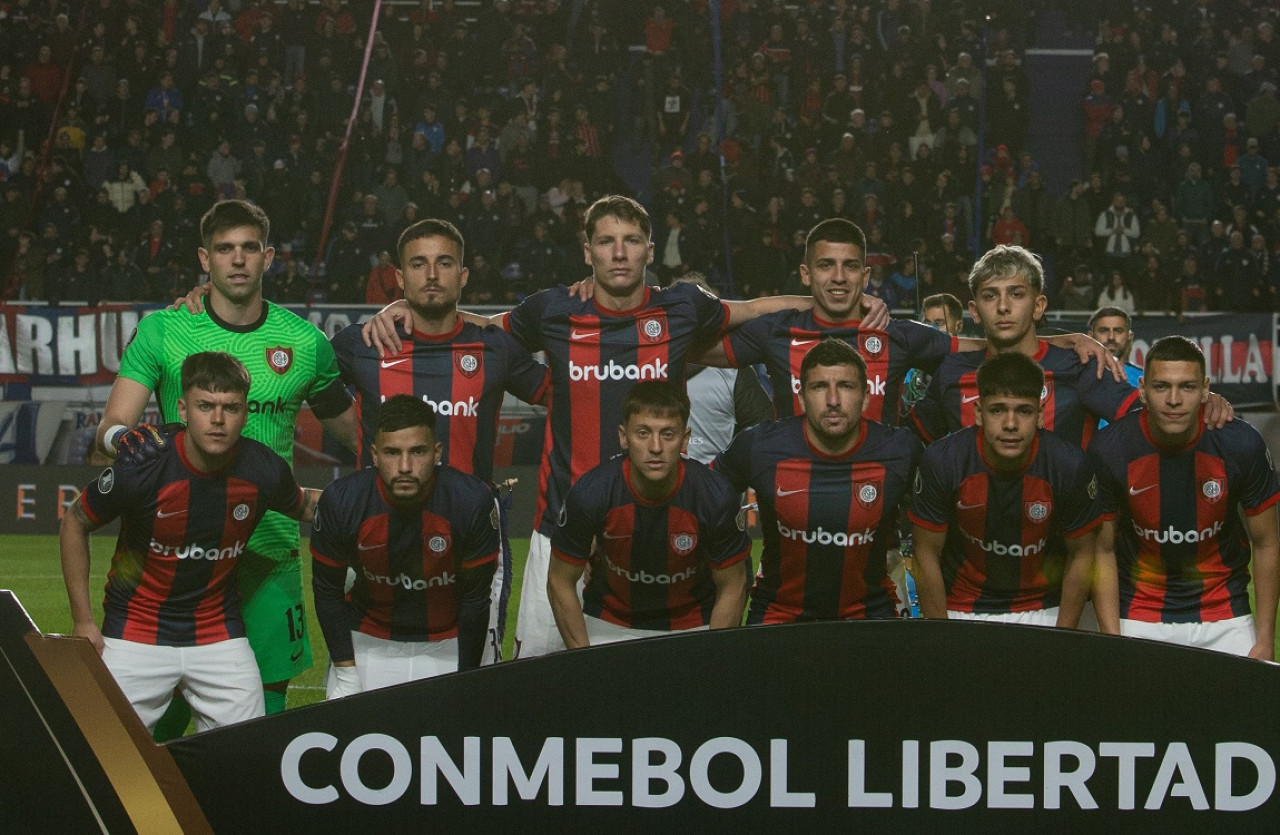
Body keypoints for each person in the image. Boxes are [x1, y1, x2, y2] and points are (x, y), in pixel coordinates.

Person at [363, 195, 891, 658]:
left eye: (631, 240)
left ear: (649, 250)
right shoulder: (551, 310)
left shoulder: (681, 307)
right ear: (586, 251)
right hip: (562, 524)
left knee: (656, 682)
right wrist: (400, 306)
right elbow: (473, 325)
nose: (619, 252)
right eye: (607, 241)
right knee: (539, 687)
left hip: (659, 528)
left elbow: (751, 309)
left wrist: (839, 303)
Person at [95, 199, 357, 722]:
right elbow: (109, 428)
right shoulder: (166, 330)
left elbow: (358, 435)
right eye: (224, 249)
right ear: (204, 259)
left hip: (268, 550)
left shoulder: (305, 343)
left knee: (264, 709)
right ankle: (160, 806)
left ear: (269, 258)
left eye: (248, 248)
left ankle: (242, 805)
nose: (237, 259)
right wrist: (128, 441)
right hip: (175, 550)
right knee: (161, 710)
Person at [61, 353, 319, 732]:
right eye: (205, 406)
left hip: (218, 636)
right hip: (135, 633)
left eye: (230, 408)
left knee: (245, 750)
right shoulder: (145, 464)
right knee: (105, 754)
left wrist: (374, 497)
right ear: (183, 409)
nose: (218, 420)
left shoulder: (263, 470)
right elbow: (75, 521)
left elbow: (308, 507)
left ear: (246, 413)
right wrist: (83, 620)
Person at [331, 218, 549, 662]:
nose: (432, 275)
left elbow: (568, 397)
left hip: (470, 542)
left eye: (444, 263)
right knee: (365, 692)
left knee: (470, 693)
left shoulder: (494, 345)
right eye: (419, 264)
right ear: (400, 277)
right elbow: (292, 372)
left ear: (463, 275)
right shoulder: (363, 344)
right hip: (375, 540)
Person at [701, 220, 1114, 429]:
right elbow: (688, 349)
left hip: (881, 532)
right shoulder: (775, 330)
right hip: (794, 506)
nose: (839, 278)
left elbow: (987, 347)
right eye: (826, 267)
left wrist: (1068, 338)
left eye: (850, 268)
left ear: (866, 275)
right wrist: (794, 302)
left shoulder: (899, 336)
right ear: (807, 273)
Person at [907, 244, 1219, 449]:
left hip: (1066, 540)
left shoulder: (1079, 365)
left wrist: (1207, 404)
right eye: (991, 296)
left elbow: (1153, 417)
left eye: (1016, 294)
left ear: (1039, 305)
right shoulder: (951, 372)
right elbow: (910, 443)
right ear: (974, 311)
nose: (1003, 307)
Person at [1087, 336, 1280, 659]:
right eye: (1162, 387)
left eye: (1187, 387)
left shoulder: (1241, 444)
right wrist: (1112, 640)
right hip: (1139, 615)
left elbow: (1267, 543)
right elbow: (1102, 549)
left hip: (1226, 616)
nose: (1174, 399)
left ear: (1205, 390)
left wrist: (1264, 640)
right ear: (1143, 389)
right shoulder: (1110, 449)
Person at [715, 339, 923, 623]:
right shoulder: (760, 447)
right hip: (778, 616)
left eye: (846, 387)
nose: (833, 400)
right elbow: (702, 497)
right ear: (801, 397)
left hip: (871, 617)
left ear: (865, 397)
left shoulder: (901, 451)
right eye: (820, 386)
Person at [310, 395, 499, 696]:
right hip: (369, 638)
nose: (405, 466)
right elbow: (327, 591)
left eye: (418, 451)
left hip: (451, 641)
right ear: (374, 454)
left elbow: (475, 599)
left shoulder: (471, 501)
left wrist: (467, 677)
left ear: (437, 452)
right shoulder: (343, 501)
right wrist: (346, 672)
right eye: (392, 452)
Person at [547, 380, 751, 646]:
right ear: (623, 436)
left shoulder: (714, 495)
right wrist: (583, 658)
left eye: (668, 434)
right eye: (643, 433)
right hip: (609, 621)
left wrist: (711, 657)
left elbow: (733, 585)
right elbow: (559, 581)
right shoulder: (592, 492)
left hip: (693, 623)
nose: (655, 447)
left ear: (685, 439)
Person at [908, 353, 1104, 629]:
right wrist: (942, 636)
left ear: (1039, 414)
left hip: (1046, 607)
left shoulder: (1069, 465)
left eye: (1023, 411)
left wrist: (1064, 636)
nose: (1010, 424)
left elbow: (1082, 553)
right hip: (962, 607)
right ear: (978, 412)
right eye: (997, 409)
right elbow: (925, 553)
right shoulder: (943, 461)